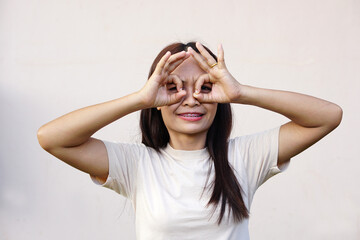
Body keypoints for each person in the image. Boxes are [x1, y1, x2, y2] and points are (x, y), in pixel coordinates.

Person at [37, 41, 342, 240]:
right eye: (174, 87)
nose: (191, 99)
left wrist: (240, 92)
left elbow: (328, 116)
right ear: (157, 96)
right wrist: (140, 98)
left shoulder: (245, 157)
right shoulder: (137, 164)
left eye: (205, 87)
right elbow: (52, 138)